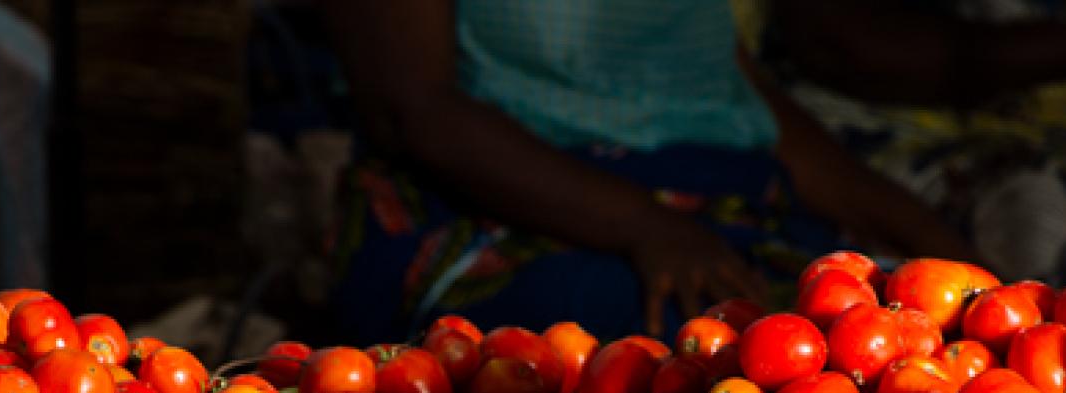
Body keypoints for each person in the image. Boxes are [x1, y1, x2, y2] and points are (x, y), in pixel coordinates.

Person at [320, 0, 972, 343]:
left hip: (719, 215)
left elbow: (740, 100)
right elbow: (415, 111)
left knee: (865, 339)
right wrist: (645, 226)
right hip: (504, 212)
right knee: (672, 366)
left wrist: (947, 256)